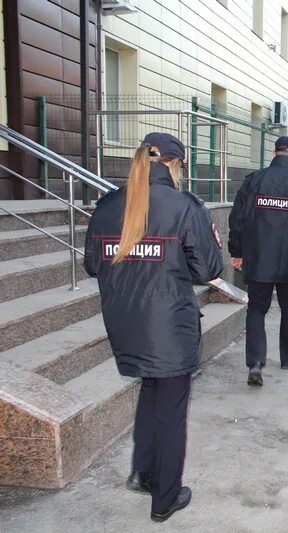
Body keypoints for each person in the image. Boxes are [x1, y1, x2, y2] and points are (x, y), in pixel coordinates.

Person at [84, 132, 223, 522]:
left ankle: (143, 474)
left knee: (151, 390)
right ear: (175, 164)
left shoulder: (108, 205)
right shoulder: (184, 206)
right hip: (169, 326)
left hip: (125, 322)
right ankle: (165, 498)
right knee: (172, 411)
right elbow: (208, 270)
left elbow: (93, 265)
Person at [228, 136, 288, 387]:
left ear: (274, 153)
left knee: (257, 310)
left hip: (258, 259)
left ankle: (256, 363)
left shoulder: (254, 180)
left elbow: (237, 219)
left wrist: (236, 251)